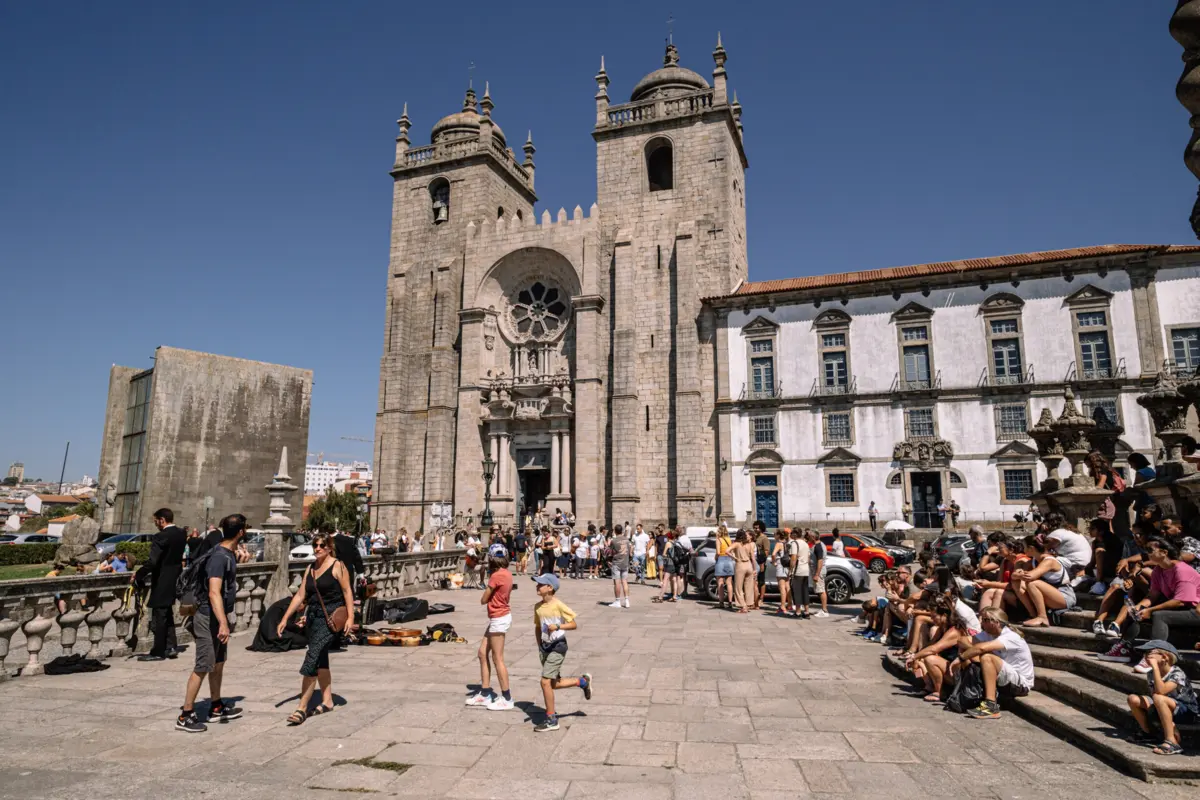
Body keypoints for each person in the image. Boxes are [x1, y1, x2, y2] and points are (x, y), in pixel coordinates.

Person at [176, 514, 246, 733]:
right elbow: (214, 592)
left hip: (217, 616)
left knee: (218, 662)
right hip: (208, 617)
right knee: (203, 665)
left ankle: (216, 706)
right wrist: (224, 623)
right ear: (241, 532)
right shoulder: (219, 557)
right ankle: (185, 714)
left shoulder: (227, 553)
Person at [278, 532, 357, 725]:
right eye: (315, 545)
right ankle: (327, 701)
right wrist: (285, 618)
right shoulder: (311, 568)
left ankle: (301, 708)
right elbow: (300, 596)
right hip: (313, 619)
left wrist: (351, 617)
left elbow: (347, 591)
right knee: (321, 658)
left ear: (329, 548)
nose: (318, 548)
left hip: (330, 619)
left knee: (312, 658)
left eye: (322, 545)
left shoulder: (337, 566)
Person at [948, 607, 1034, 720]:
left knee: (987, 657)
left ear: (996, 622)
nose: (981, 623)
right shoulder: (988, 634)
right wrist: (973, 650)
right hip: (1004, 679)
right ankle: (970, 695)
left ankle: (991, 706)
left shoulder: (1011, 637)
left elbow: (982, 648)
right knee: (976, 654)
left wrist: (961, 658)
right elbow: (962, 640)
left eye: (985, 620)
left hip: (1020, 685)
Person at [532, 573, 592, 732]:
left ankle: (551, 719)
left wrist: (558, 626)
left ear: (550, 588)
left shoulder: (558, 605)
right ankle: (582, 682)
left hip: (558, 646)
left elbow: (573, 624)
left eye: (540, 584)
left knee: (544, 682)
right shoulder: (537, 607)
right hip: (545, 647)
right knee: (553, 683)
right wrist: (539, 645)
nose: (537, 586)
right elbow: (538, 627)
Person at [1125, 640, 1199, 756]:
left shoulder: (1177, 673)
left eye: (1149, 653)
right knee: (1133, 699)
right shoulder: (1151, 673)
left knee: (1158, 697)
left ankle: (1172, 742)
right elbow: (1156, 696)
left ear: (1164, 657)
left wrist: (1155, 668)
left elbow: (1161, 691)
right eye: (1145, 654)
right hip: (1164, 706)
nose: (1146, 656)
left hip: (1186, 712)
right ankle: (1149, 733)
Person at [136, 508, 188, 662]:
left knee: (159, 616)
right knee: (167, 613)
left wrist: (139, 574)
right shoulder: (181, 533)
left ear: (162, 520)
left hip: (162, 579)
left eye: (156, 521)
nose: (156, 524)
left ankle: (158, 651)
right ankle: (171, 646)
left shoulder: (160, 536)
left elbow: (153, 561)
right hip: (175, 577)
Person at [466, 545, 514, 710]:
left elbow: (484, 599)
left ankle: (507, 698)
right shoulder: (507, 573)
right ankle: (485, 693)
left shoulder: (496, 576)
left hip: (499, 617)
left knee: (497, 658)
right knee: (482, 653)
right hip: (499, 617)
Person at [1010, 535, 1074, 627]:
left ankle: (1042, 617)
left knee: (1032, 583)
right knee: (1017, 583)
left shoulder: (1049, 561)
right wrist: (1017, 573)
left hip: (1065, 596)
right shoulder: (1034, 561)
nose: (1023, 550)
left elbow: (1030, 577)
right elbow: (1014, 575)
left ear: (1031, 548)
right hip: (1051, 595)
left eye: (1024, 547)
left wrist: (1018, 574)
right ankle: (1033, 615)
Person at [729, 529, 755, 613]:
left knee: (738, 587)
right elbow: (753, 558)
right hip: (749, 565)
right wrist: (754, 569)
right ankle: (748, 604)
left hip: (740, 565)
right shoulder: (749, 544)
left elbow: (727, 551)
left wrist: (734, 557)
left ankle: (743, 606)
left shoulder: (736, 544)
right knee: (749, 587)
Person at [787, 528, 811, 619]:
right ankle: (807, 612)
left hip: (798, 570)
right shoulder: (805, 543)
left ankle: (798, 612)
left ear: (795, 534)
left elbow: (793, 558)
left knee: (797, 591)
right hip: (805, 570)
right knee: (805, 591)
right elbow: (808, 558)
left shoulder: (794, 543)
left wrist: (790, 570)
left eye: (792, 533)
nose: (790, 535)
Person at [806, 529, 829, 618]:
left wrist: (817, 574)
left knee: (821, 590)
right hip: (817, 571)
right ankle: (823, 609)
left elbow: (820, 561)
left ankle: (824, 610)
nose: (808, 538)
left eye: (809, 536)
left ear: (813, 537)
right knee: (819, 590)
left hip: (818, 572)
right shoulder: (818, 545)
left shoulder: (818, 547)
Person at [608, 525, 631, 609]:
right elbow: (630, 550)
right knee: (624, 581)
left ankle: (618, 601)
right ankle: (627, 601)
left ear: (615, 531)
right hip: (625, 562)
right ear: (622, 530)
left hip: (617, 562)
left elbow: (610, 552)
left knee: (617, 582)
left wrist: (609, 560)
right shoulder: (627, 540)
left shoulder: (614, 541)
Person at [714, 524, 734, 609]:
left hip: (721, 560)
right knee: (729, 583)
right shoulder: (729, 540)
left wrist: (715, 557)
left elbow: (718, 552)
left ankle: (721, 602)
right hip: (729, 561)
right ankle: (730, 602)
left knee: (720, 582)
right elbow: (731, 551)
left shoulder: (718, 540)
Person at [772, 531, 791, 614]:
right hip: (787, 566)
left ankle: (782, 606)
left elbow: (773, 554)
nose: (774, 536)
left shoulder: (778, 544)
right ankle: (789, 604)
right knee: (787, 586)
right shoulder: (788, 543)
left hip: (780, 565)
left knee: (782, 587)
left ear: (778, 536)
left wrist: (774, 562)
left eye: (775, 535)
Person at [752, 521, 770, 610]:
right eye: (754, 528)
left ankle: (761, 598)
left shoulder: (764, 538)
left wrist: (762, 562)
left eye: (757, 528)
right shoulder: (755, 537)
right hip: (754, 562)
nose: (755, 529)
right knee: (755, 581)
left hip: (761, 562)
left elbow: (766, 551)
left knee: (761, 581)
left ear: (761, 528)